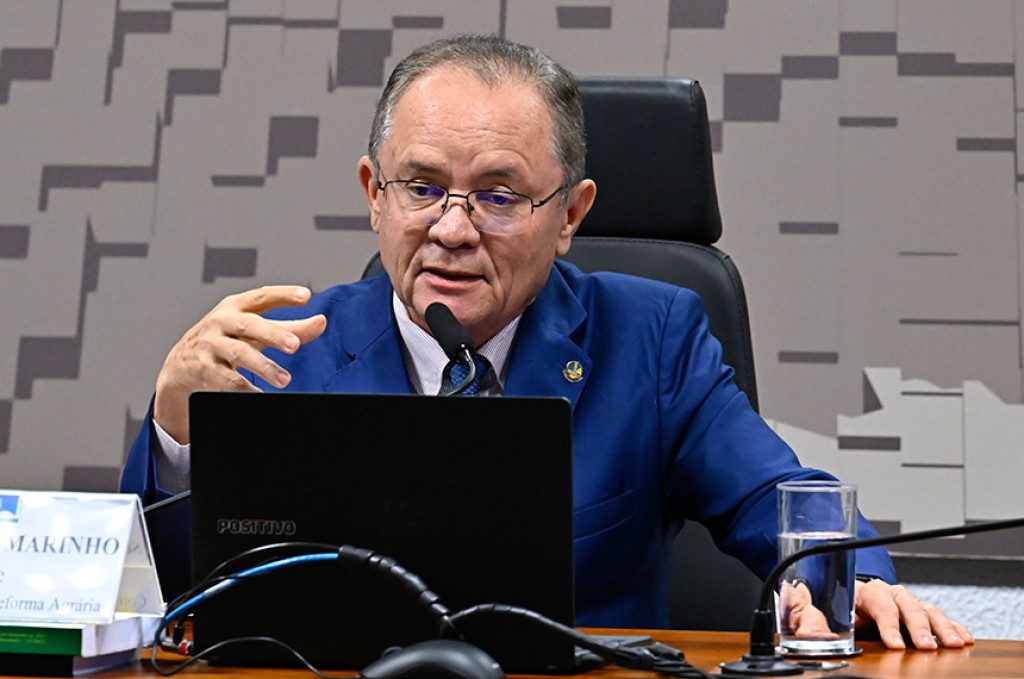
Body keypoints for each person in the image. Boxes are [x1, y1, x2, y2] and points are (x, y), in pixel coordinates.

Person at [122, 33, 971, 650]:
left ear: (570, 215)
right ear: (374, 193)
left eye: (498, 196)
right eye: (422, 187)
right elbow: (170, 598)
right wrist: (174, 431)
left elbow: (777, 495)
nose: (452, 229)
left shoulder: (652, 340)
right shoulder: (283, 351)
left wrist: (850, 581)